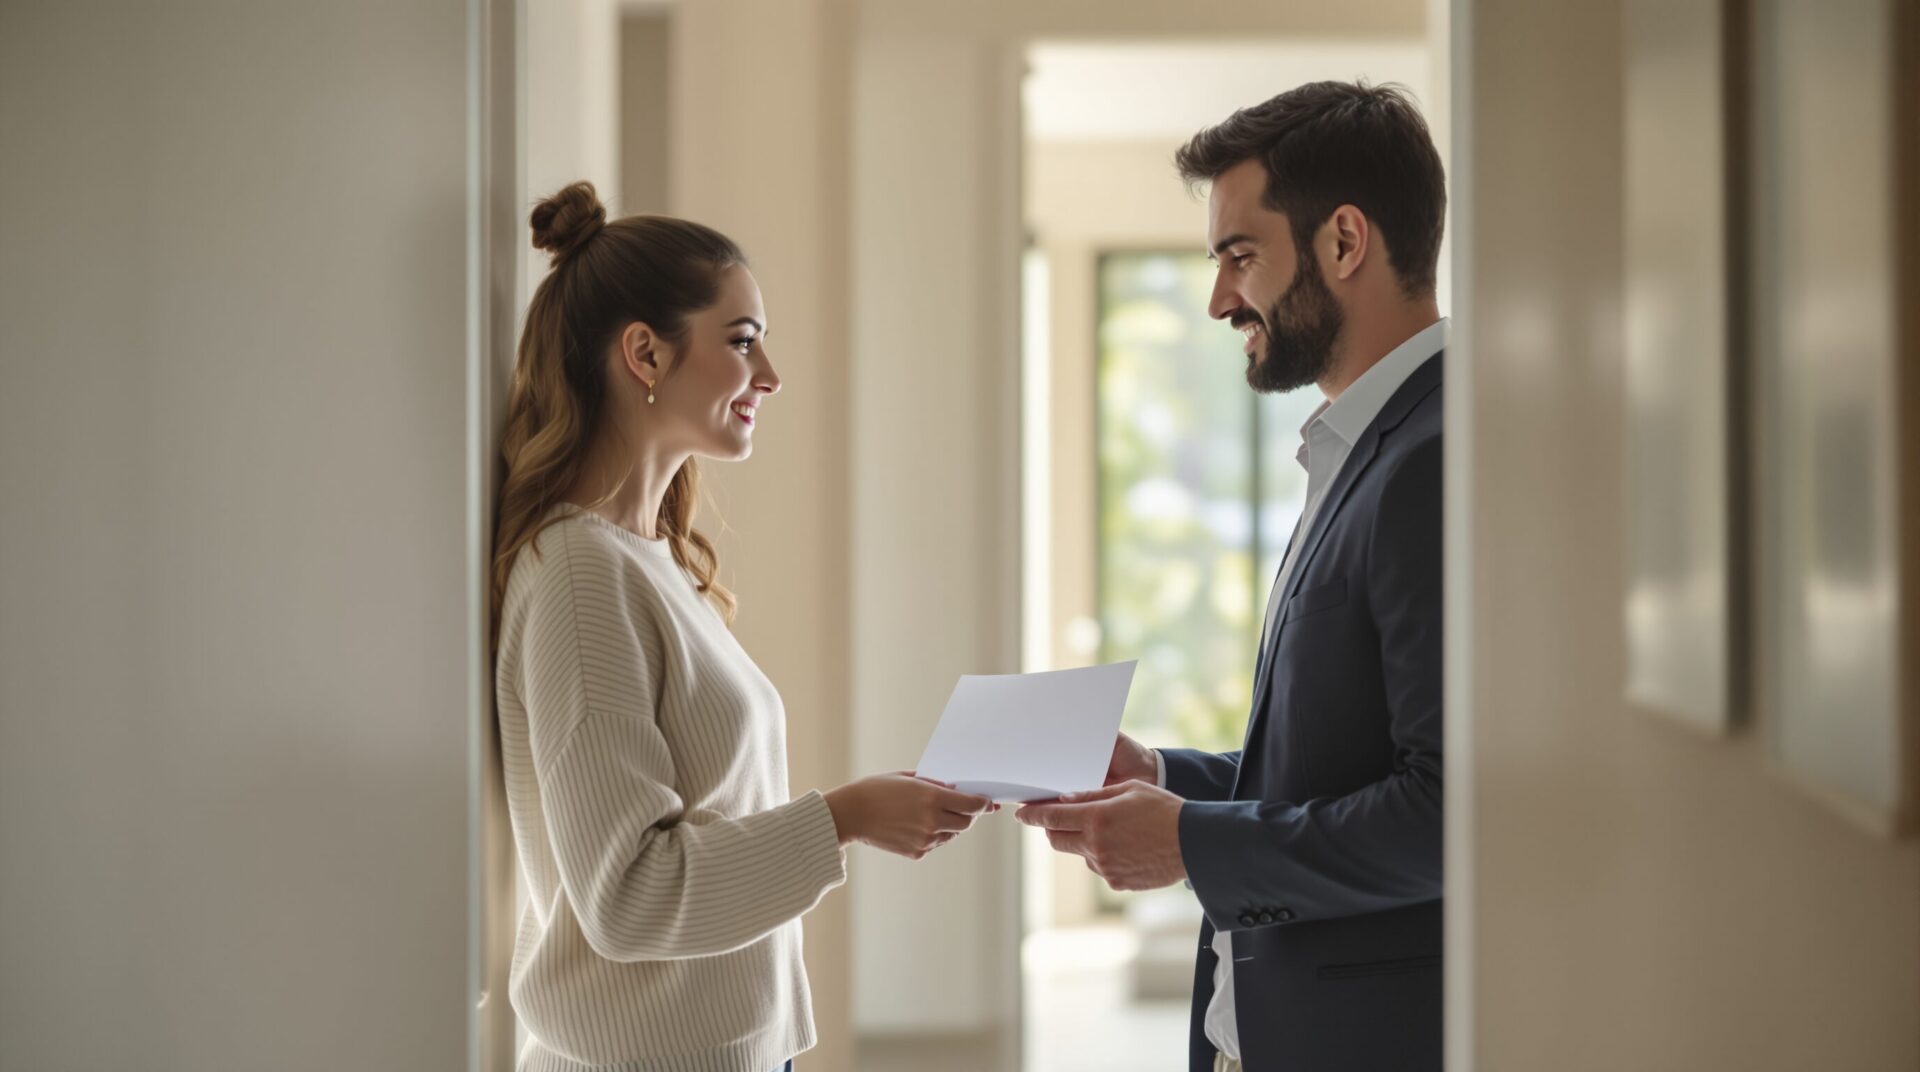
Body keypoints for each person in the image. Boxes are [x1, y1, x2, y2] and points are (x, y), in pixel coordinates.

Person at [490, 182, 994, 1072]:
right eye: (743, 342)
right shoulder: (580, 577)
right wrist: (845, 817)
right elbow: (630, 897)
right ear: (644, 353)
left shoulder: (646, 562)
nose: (771, 375)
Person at [1017, 81, 1447, 1071]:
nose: (1218, 299)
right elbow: (1339, 768)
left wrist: (1193, 845)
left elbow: (1448, 809)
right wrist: (1165, 781)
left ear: (1345, 242)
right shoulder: (1363, 449)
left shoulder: (1434, 458)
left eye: (1238, 255)